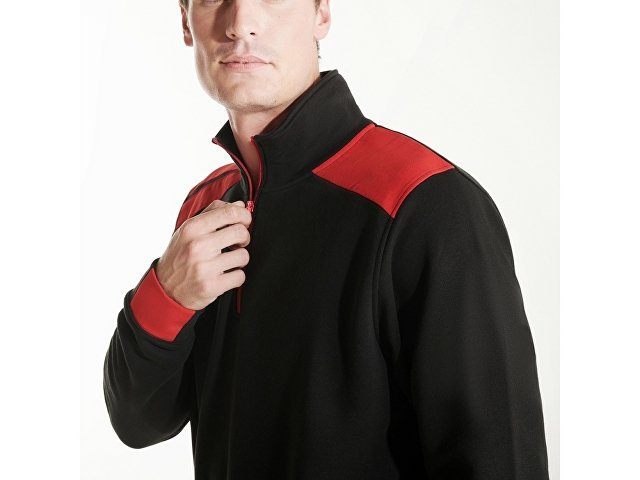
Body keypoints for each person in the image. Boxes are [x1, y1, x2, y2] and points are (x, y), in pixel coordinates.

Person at [103, 0, 550, 478]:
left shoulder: (425, 201)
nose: (240, 23)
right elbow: (139, 421)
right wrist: (168, 295)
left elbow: (500, 461)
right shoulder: (206, 206)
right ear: (185, 19)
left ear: (321, 13)